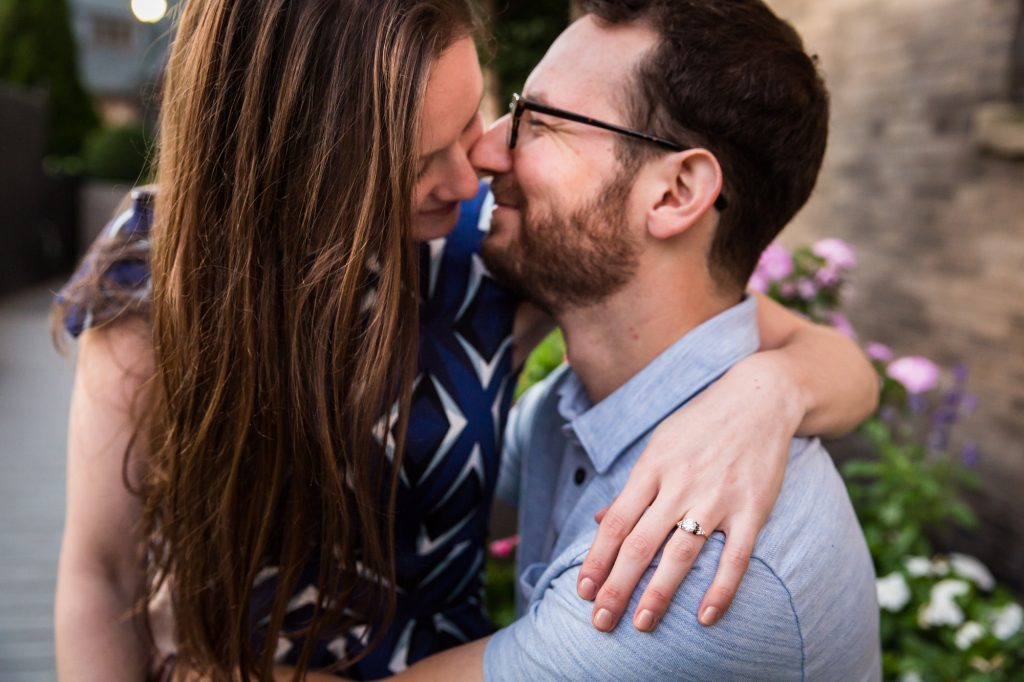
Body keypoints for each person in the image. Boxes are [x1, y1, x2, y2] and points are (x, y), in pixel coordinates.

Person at [52, 0, 877, 680]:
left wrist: (766, 393)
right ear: (310, 161)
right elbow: (99, 571)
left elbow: (766, 333)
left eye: (525, 118)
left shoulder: (475, 244)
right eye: (414, 158)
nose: (478, 162)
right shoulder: (166, 268)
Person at [359, 1, 881, 680]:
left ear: (674, 193)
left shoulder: (697, 562)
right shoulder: (570, 408)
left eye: (537, 121)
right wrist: (774, 386)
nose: (485, 152)